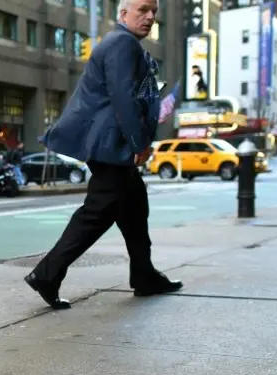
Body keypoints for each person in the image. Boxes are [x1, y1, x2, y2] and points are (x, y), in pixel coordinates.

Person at [23, 0, 183, 309]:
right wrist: (139, 143)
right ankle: (46, 273)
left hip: (109, 143)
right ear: (123, 13)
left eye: (154, 12)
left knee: (135, 205)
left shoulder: (121, 43)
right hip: (111, 144)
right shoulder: (122, 43)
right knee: (97, 212)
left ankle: (144, 274)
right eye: (144, 10)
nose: (150, 17)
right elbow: (123, 97)